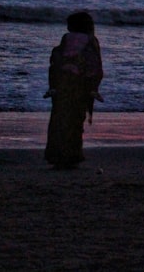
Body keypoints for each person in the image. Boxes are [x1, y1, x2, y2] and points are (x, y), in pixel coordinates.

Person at [44, 11, 104, 169]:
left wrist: (53, 85)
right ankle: (71, 155)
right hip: (80, 84)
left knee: (59, 118)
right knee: (75, 119)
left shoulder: (66, 38)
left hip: (62, 83)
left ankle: (57, 154)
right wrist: (93, 87)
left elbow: (57, 60)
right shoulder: (91, 40)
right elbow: (94, 65)